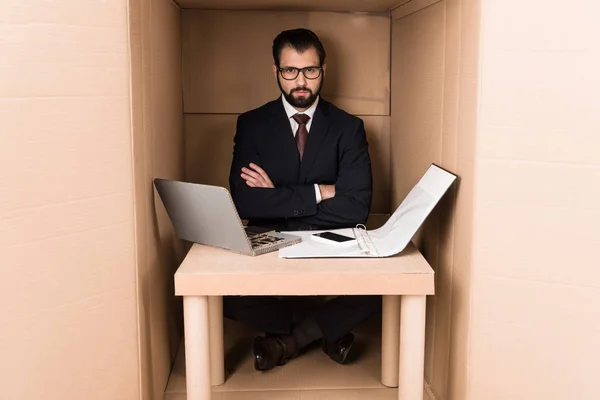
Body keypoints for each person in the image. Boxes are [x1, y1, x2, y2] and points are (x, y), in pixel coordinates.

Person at [225, 28, 381, 371]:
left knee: (381, 289)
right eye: (290, 71)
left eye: (310, 70)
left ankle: (288, 340)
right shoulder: (252, 124)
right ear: (276, 72)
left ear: (323, 70)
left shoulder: (348, 128)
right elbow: (244, 203)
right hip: (270, 243)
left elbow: (357, 207)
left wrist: (277, 199)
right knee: (226, 295)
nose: (301, 81)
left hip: (330, 243)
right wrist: (320, 191)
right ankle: (324, 329)